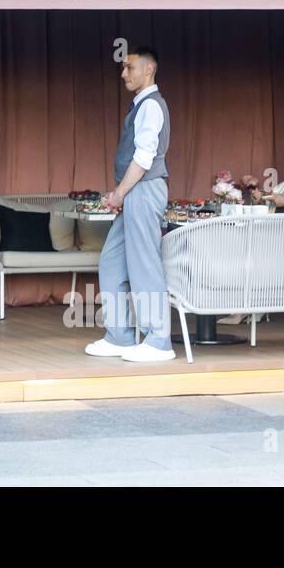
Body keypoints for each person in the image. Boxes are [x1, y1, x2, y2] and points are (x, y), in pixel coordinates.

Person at [85, 45, 175, 362]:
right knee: (111, 261)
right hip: (135, 189)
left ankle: (158, 339)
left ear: (148, 70)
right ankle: (119, 335)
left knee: (144, 263)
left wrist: (120, 193)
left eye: (129, 67)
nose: (124, 73)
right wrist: (122, 192)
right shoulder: (141, 105)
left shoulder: (151, 106)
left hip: (144, 188)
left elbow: (144, 156)